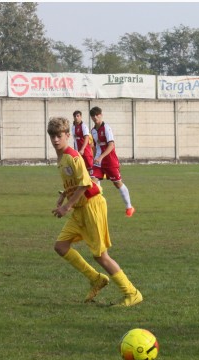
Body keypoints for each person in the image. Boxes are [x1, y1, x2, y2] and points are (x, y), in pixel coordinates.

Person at [48, 116, 143, 307]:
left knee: (101, 255)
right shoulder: (61, 158)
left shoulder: (73, 156)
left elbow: (84, 184)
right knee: (61, 246)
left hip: (92, 205)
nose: (55, 140)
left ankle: (132, 293)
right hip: (79, 208)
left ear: (68, 135)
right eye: (52, 136)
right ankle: (96, 279)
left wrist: (66, 206)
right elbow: (75, 183)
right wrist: (63, 195)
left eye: (59, 136)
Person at [89, 106, 135, 217]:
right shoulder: (93, 130)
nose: (95, 117)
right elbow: (95, 146)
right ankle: (97, 207)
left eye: (97, 115)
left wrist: (101, 157)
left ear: (101, 115)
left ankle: (129, 207)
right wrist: (95, 157)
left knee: (117, 183)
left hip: (110, 160)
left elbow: (111, 145)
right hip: (98, 162)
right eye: (93, 116)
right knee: (92, 183)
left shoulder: (106, 128)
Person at [71, 110, 94, 177]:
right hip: (78, 152)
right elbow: (75, 140)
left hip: (85, 151)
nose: (76, 117)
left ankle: (96, 184)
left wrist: (83, 149)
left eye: (78, 116)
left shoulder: (84, 126)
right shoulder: (73, 127)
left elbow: (86, 138)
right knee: (82, 168)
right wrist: (75, 150)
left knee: (90, 169)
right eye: (75, 116)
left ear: (81, 117)